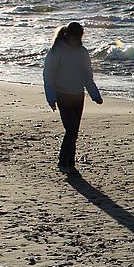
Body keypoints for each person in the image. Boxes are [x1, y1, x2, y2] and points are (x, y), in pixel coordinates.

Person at [43, 22, 103, 175]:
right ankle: (63, 162)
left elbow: (87, 76)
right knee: (71, 129)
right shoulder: (56, 51)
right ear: (67, 35)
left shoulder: (82, 52)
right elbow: (48, 75)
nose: (78, 40)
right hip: (63, 95)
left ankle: (70, 162)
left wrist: (95, 95)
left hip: (78, 95)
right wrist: (51, 97)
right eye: (75, 37)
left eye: (80, 38)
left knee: (74, 130)